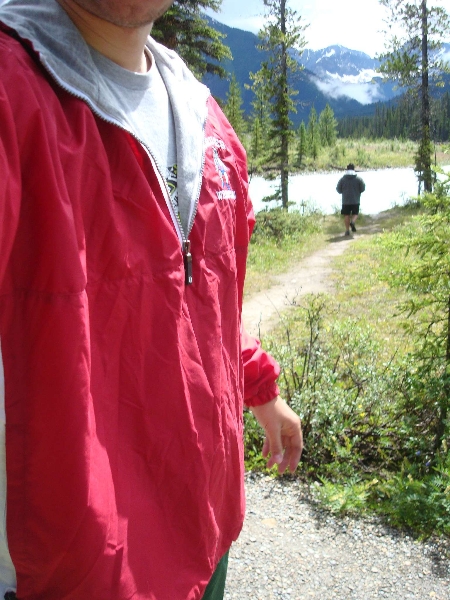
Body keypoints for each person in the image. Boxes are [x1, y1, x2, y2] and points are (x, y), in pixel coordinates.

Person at [0, 1, 303, 599]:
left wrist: (258, 385)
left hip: (207, 533)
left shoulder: (205, 116)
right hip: (80, 570)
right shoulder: (13, 90)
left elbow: (205, 298)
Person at [336, 163, 366, 236]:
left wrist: (344, 191)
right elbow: (363, 188)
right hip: (355, 200)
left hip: (345, 201)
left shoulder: (342, 179)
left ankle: (347, 230)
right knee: (355, 213)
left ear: (347, 169)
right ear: (354, 169)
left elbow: (338, 190)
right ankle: (352, 222)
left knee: (346, 215)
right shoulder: (358, 179)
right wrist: (357, 191)